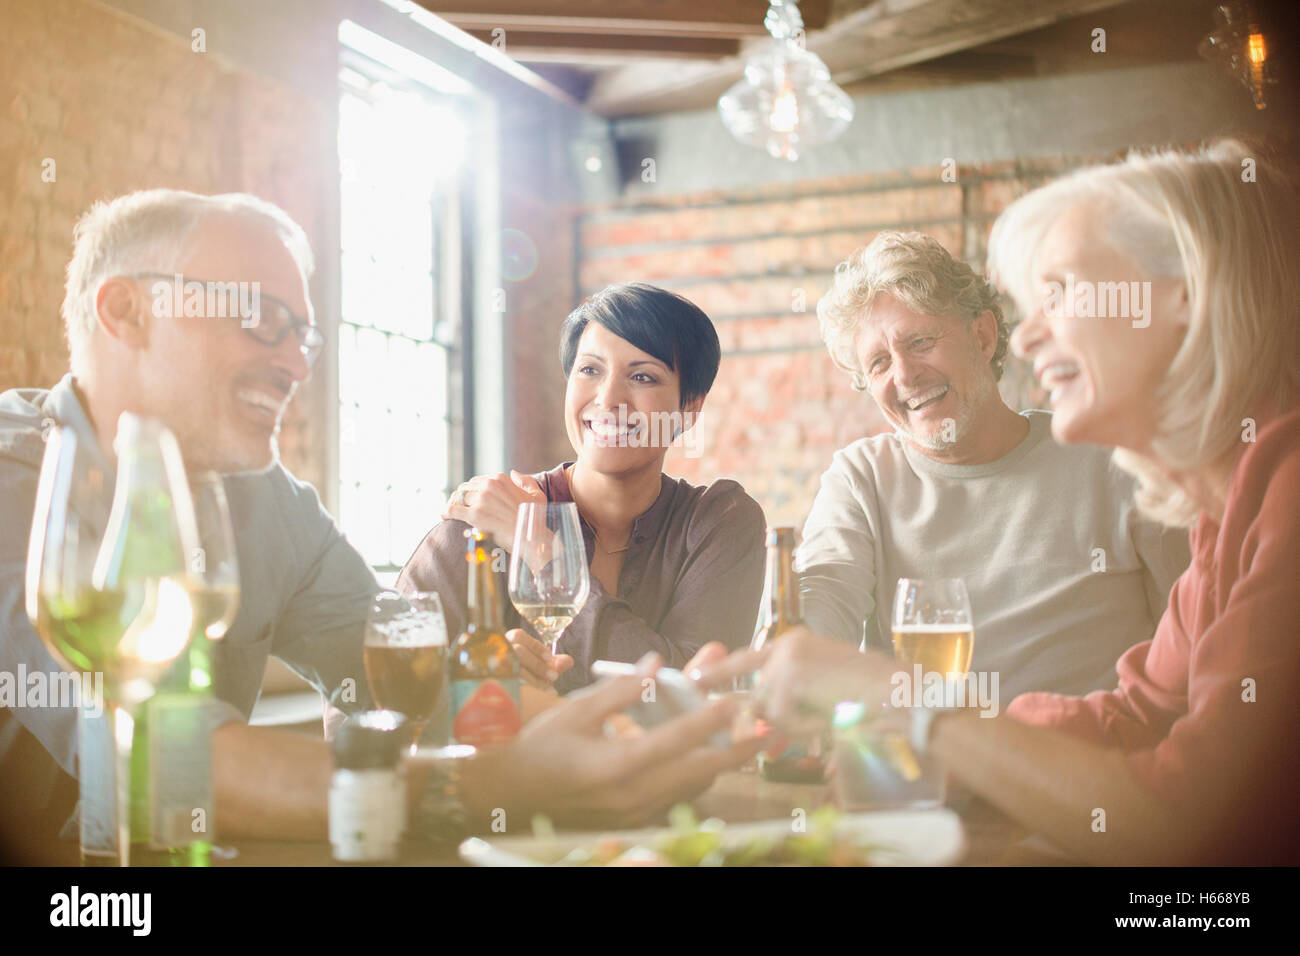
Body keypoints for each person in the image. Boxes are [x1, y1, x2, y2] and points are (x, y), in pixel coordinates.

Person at [0, 190, 759, 862]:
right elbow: (163, 762)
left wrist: (512, 694)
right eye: (260, 320)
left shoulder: (271, 504)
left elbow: (395, 675)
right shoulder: (14, 477)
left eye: (302, 336)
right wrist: (500, 780)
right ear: (127, 312)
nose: (296, 366)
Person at [751, 140, 1300, 864]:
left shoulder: (1284, 491)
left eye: (1064, 294)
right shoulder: (1228, 511)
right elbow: (1140, 713)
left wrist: (913, 715)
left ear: (1189, 300)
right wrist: (947, 757)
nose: (1032, 331)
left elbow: (1191, 821)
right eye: (878, 361)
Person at [798, 231, 1190, 701]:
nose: (903, 375)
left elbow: (1199, 637)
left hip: (1087, 760)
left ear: (983, 335)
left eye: (920, 342)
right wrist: (795, 651)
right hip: (927, 765)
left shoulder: (1112, 455)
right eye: (879, 363)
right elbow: (823, 596)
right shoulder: (862, 479)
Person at [399, 282, 767, 695]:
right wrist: (471, 688)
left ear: (689, 409)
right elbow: (369, 707)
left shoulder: (717, 523)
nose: (608, 399)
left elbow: (688, 694)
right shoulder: (481, 525)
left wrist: (540, 547)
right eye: (589, 370)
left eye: (643, 377)